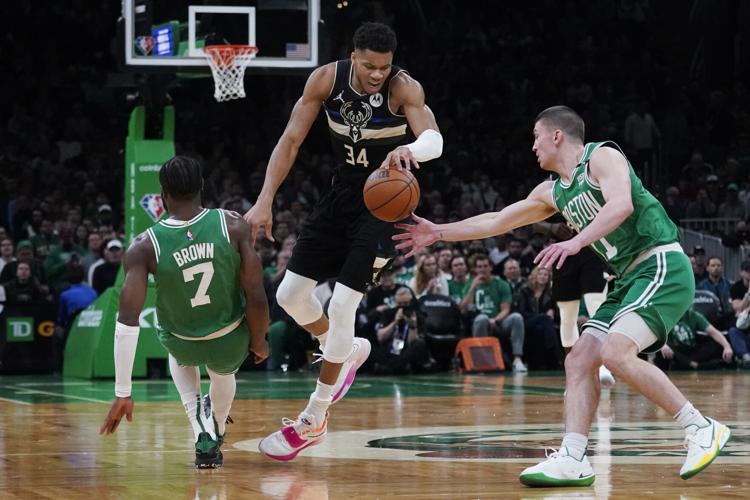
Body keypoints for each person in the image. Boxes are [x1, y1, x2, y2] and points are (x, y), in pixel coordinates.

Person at [393, 105, 730, 485]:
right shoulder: (552, 192)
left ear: (557, 136)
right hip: (628, 278)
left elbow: (621, 205)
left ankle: (700, 427)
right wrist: (439, 232)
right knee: (580, 359)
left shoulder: (601, 156)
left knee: (615, 353)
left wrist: (576, 241)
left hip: (661, 263)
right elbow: (497, 220)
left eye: (536, 137)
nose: (533, 146)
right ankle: (573, 457)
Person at [244, 22, 443, 461]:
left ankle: (314, 417)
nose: (377, 74)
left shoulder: (403, 87)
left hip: (386, 203)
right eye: (369, 66)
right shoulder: (325, 80)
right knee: (290, 295)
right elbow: (290, 140)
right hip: (342, 194)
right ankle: (344, 348)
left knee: (342, 304)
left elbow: (435, 139)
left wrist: (411, 150)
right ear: (353, 57)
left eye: (384, 67)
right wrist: (264, 199)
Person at [99, 156, 270, 469]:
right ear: (202, 187)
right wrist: (259, 340)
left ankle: (199, 426)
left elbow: (127, 320)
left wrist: (123, 391)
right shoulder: (233, 225)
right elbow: (256, 294)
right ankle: (217, 425)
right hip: (230, 338)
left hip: (181, 341)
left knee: (177, 353)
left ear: (163, 194)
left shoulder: (143, 245)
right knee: (223, 374)